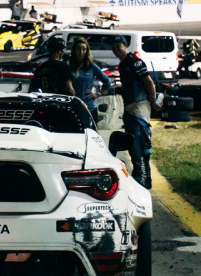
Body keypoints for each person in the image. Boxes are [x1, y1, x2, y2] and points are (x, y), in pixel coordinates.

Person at [111, 36, 162, 189]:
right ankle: (141, 177)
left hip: (139, 109)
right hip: (130, 109)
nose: (116, 50)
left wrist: (153, 101)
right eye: (113, 48)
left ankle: (143, 178)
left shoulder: (134, 61)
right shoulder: (123, 64)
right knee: (133, 146)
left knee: (140, 145)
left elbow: (148, 81)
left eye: (118, 46)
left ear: (126, 45)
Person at [68, 36, 112, 106]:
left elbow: (107, 81)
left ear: (87, 51)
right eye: (78, 49)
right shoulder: (69, 66)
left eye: (84, 49)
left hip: (89, 105)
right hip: (73, 105)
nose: (81, 52)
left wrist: (98, 93)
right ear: (74, 50)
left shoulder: (91, 66)